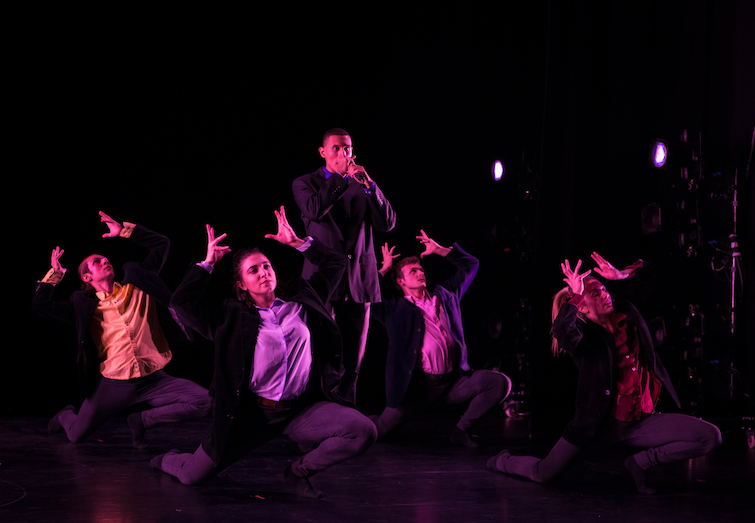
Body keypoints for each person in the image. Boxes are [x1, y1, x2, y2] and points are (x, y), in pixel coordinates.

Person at [151, 207, 376, 498]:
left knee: (363, 431)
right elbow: (182, 303)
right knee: (191, 477)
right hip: (251, 415)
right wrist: (207, 263)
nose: (263, 273)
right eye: (253, 270)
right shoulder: (230, 317)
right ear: (242, 284)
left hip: (301, 410)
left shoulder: (301, 300)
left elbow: (337, 263)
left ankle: (298, 472)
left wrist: (298, 243)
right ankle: (166, 459)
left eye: (266, 266)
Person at [487, 253, 722, 494]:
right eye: (595, 294)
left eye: (604, 289)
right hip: (598, 428)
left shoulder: (628, 314)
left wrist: (622, 274)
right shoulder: (583, 339)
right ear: (584, 308)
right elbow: (562, 330)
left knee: (709, 436)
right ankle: (502, 461)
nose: (606, 294)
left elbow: (651, 272)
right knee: (542, 474)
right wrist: (576, 294)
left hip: (640, 422)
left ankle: (640, 462)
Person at [32, 211, 211, 448]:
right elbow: (40, 305)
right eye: (97, 262)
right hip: (114, 385)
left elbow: (162, 244)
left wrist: (124, 231)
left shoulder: (138, 283)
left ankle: (142, 420)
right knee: (76, 435)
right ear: (87, 277)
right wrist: (55, 274)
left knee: (204, 402)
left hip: (155, 380)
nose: (105, 261)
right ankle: (66, 415)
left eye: (106, 259)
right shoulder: (83, 305)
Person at [370, 231, 512, 448]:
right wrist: (384, 269)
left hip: (454, 382)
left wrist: (440, 250)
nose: (420, 273)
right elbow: (364, 299)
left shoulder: (446, 294)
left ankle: (461, 430)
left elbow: (471, 265)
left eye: (421, 269)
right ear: (400, 281)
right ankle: (361, 421)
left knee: (499, 382)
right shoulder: (394, 309)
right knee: (376, 433)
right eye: (413, 271)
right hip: (417, 389)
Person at [292, 128, 396, 403]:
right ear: (323, 151)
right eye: (336, 148)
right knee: (320, 350)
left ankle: (348, 413)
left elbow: (387, 223)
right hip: (323, 280)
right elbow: (314, 210)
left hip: (359, 279)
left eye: (347, 148)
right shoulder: (306, 182)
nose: (343, 154)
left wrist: (370, 185)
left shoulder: (360, 184)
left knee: (354, 359)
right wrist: (338, 177)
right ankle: (317, 414)